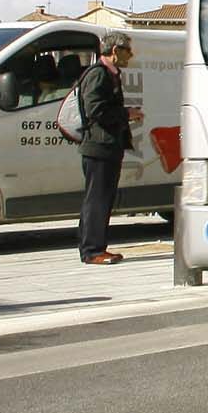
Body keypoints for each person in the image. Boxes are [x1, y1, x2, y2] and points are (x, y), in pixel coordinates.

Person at [76, 32, 141, 265]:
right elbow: (96, 111)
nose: (130, 56)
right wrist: (126, 114)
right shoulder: (98, 75)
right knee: (98, 199)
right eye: (127, 51)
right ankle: (92, 250)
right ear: (115, 51)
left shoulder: (110, 74)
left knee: (100, 198)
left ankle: (92, 247)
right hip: (99, 146)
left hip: (106, 146)